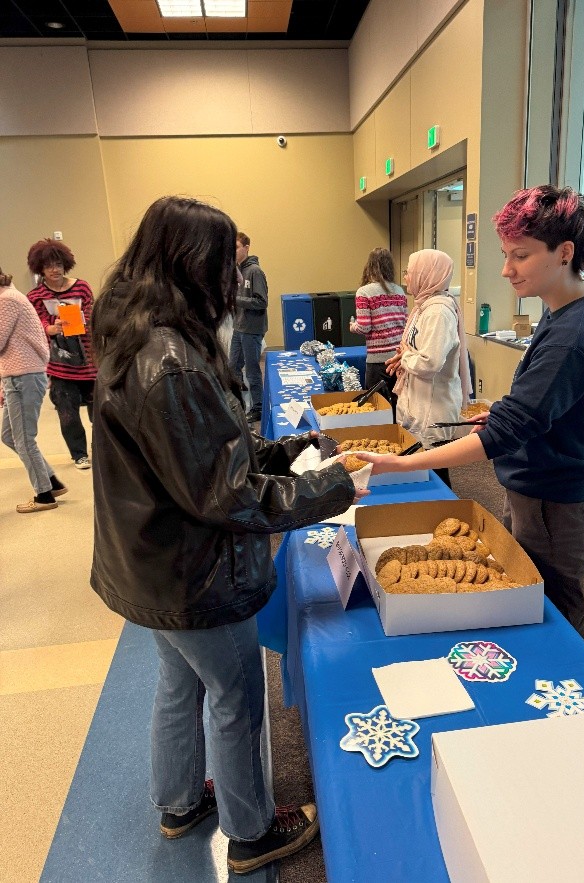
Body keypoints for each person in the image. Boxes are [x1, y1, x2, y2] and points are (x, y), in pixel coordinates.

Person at [90, 196, 366, 875]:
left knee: (179, 684)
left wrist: (300, 450)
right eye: (227, 268)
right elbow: (227, 492)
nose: (234, 283)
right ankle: (250, 831)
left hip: (150, 562)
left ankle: (179, 800)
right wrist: (333, 487)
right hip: (192, 570)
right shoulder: (173, 360)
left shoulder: (140, 333)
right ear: (195, 266)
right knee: (236, 694)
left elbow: (212, 457)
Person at [356, 185, 584, 639]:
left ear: (565, 252)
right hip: (541, 486)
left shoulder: (574, 333)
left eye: (520, 255)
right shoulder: (571, 310)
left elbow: (510, 429)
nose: (506, 270)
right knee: (523, 591)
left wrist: (402, 462)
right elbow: (548, 406)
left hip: (555, 497)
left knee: (551, 612)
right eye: (505, 254)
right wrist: (504, 414)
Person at [386, 249, 471, 488]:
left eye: (410, 273)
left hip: (432, 412)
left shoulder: (438, 312)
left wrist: (405, 359)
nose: (406, 279)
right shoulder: (424, 306)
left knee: (434, 476)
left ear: (427, 275)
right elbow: (419, 351)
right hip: (418, 405)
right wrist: (405, 355)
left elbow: (429, 363)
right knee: (421, 471)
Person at [0, 267, 67, 512]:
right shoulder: (8, 296)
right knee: (9, 436)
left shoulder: (6, 299)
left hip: (24, 377)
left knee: (24, 439)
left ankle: (44, 496)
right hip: (16, 376)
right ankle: (51, 480)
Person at [27, 239, 96, 470]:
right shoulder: (35, 295)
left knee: (101, 410)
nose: (54, 269)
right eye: (48, 266)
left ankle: (104, 450)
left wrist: (80, 322)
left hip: (89, 360)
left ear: (66, 264)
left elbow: (91, 313)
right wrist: (49, 328)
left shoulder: (82, 287)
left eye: (58, 264)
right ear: (40, 269)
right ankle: (79, 455)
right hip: (60, 365)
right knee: (68, 413)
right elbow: (36, 324)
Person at [349, 247, 407, 418]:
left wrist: (352, 326)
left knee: (377, 409)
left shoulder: (364, 292)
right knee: (398, 408)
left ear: (369, 266)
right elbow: (405, 321)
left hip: (377, 361)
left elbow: (364, 327)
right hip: (398, 360)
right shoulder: (399, 291)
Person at [229, 232, 268, 425]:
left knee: (252, 372)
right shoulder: (237, 271)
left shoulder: (254, 271)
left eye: (236, 247)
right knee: (233, 368)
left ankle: (258, 408)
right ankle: (237, 407)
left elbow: (262, 302)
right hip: (239, 327)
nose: (233, 251)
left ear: (246, 247)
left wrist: (235, 300)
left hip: (252, 329)